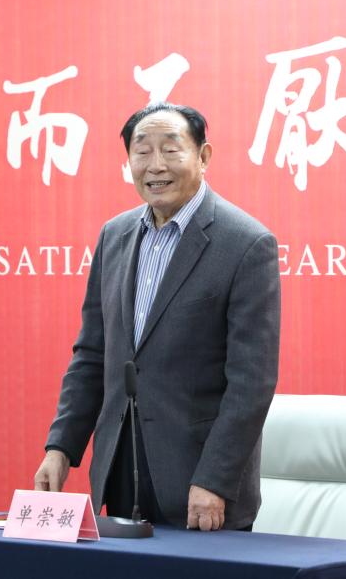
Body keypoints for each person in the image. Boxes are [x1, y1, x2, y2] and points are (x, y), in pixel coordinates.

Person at [33, 102, 280, 531]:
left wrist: (214, 480)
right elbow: (92, 355)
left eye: (170, 149)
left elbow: (251, 383)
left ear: (203, 156)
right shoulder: (115, 236)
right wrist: (61, 448)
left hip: (199, 482)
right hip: (120, 470)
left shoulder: (246, 243)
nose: (155, 165)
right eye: (142, 151)